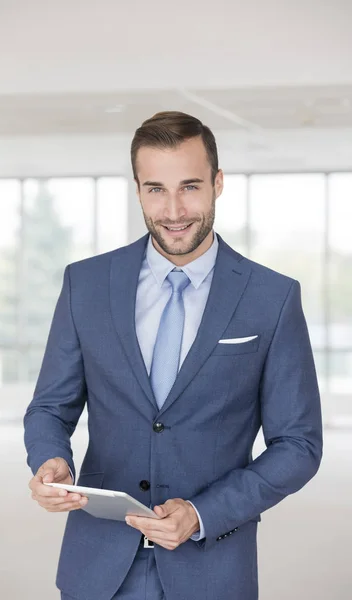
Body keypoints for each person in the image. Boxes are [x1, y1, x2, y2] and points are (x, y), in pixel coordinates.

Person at [24, 111, 323, 600]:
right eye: (156, 189)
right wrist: (50, 459)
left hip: (213, 569)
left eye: (190, 186)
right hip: (98, 565)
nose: (174, 209)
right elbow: (49, 407)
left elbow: (299, 445)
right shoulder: (86, 284)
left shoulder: (272, 298)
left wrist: (204, 513)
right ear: (138, 190)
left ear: (217, 183)